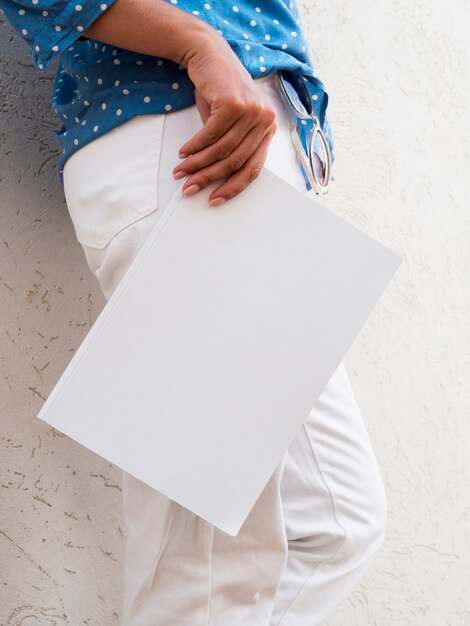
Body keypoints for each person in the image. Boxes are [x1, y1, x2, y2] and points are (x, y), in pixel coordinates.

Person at [0, 0, 388, 623]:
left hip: (245, 144)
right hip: (186, 137)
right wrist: (197, 44)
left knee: (336, 524)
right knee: (204, 569)